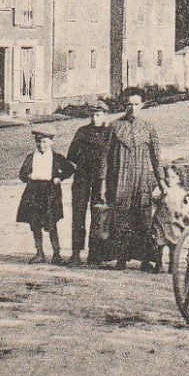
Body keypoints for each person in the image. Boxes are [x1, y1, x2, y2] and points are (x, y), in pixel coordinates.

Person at [97, 87, 167, 271]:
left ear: (142, 105)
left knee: (143, 219)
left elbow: (156, 159)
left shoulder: (149, 128)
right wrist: (103, 183)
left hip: (143, 179)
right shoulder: (114, 127)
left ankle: (145, 260)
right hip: (121, 179)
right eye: (129, 104)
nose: (132, 108)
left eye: (136, 104)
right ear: (123, 105)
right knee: (120, 218)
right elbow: (104, 158)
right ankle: (121, 258)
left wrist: (162, 183)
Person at [16, 128, 77, 263]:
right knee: (35, 224)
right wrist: (29, 176)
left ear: (51, 142)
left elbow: (70, 169)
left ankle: (56, 255)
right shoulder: (31, 157)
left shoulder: (56, 157)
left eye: (44, 141)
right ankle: (39, 254)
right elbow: (22, 174)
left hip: (50, 195)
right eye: (38, 142)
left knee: (51, 224)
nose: (41, 145)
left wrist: (59, 177)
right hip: (34, 194)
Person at [66, 101, 113, 266]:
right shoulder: (82, 132)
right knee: (78, 216)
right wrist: (81, 165)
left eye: (98, 115)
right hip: (82, 178)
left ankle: (95, 255)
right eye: (92, 115)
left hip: (100, 180)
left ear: (105, 115)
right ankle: (76, 254)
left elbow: (113, 159)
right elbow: (71, 155)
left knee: (98, 216)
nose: (94, 118)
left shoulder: (110, 134)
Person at [150, 167, 189, 273]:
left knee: (174, 244)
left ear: (179, 179)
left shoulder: (181, 192)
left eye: (172, 177)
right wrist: (158, 197)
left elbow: (186, 205)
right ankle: (158, 264)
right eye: (167, 177)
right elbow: (153, 200)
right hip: (161, 220)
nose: (169, 179)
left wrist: (183, 212)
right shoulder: (160, 189)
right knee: (159, 243)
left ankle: (172, 265)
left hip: (174, 221)